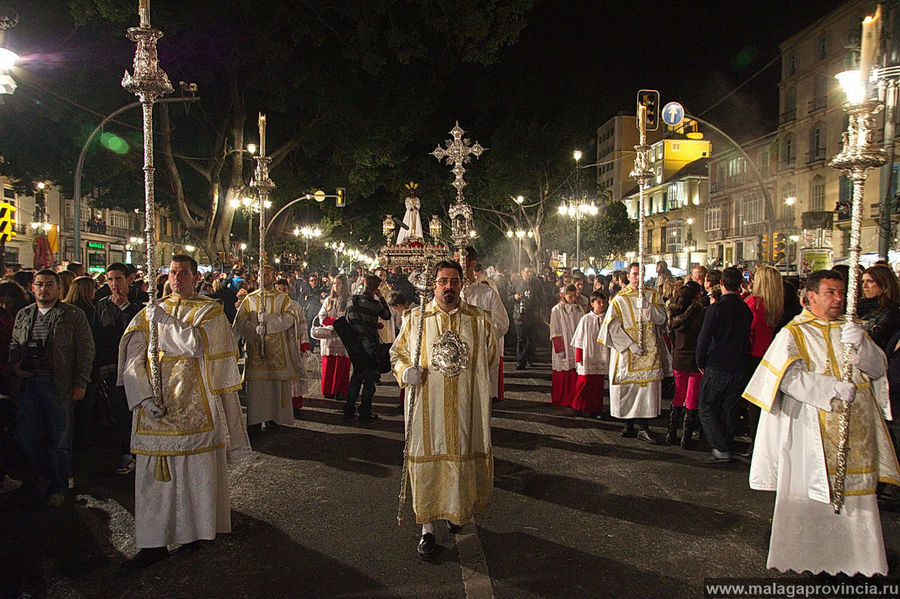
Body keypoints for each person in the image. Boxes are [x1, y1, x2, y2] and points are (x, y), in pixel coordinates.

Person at [742, 269, 900, 576]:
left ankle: (860, 559)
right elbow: (786, 378)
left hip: (856, 427)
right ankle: (809, 555)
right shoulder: (795, 332)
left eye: (841, 293)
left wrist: (863, 346)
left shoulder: (852, 329)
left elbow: (877, 368)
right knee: (811, 490)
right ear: (811, 296)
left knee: (858, 495)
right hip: (810, 428)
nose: (838, 299)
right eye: (830, 292)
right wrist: (830, 390)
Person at [118, 255, 251, 569]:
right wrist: (143, 398)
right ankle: (152, 543)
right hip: (155, 412)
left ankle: (193, 531)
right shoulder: (149, 312)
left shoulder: (210, 311)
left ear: (195, 277)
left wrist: (164, 322)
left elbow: (196, 345)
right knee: (153, 480)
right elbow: (134, 360)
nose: (177, 278)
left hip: (195, 408)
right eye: (173, 272)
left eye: (183, 273)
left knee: (193, 476)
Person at [389, 260, 497, 561]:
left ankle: (455, 511)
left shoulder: (479, 320)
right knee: (428, 461)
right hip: (428, 408)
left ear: (462, 283)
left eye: (454, 281)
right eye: (442, 281)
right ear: (433, 284)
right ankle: (427, 530)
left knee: (460, 457)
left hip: (464, 408)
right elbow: (396, 353)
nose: (448, 286)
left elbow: (489, 359)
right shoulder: (415, 319)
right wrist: (404, 370)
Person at [8, 269, 94, 507]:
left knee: (60, 439)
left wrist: (80, 382)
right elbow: (15, 344)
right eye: (39, 284)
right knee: (27, 437)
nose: (43, 289)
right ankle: (47, 475)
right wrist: (16, 365)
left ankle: (58, 486)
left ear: (59, 288)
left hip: (60, 385)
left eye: (48, 285)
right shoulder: (24, 315)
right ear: (33, 287)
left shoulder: (72, 315)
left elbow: (86, 350)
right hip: (29, 384)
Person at [598, 262, 671, 443]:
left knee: (645, 390)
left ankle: (644, 427)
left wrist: (647, 307)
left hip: (649, 352)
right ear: (628, 276)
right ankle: (628, 425)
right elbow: (612, 327)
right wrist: (630, 345)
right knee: (628, 389)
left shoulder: (652, 295)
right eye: (635, 274)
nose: (638, 278)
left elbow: (662, 319)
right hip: (627, 352)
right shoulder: (619, 299)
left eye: (641, 274)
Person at [234, 265, 310, 430]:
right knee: (257, 389)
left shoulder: (283, 299)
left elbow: (290, 319)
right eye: (261, 274)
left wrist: (270, 321)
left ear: (274, 276)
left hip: (277, 353)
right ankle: (255, 420)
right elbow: (239, 322)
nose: (264, 277)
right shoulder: (250, 299)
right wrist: (254, 328)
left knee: (275, 387)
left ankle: (274, 418)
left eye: (267, 274)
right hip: (256, 353)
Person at [695, 267, 753, 463]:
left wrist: (700, 360)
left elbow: (704, 338)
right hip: (739, 365)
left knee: (706, 406)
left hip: (718, 364)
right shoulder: (745, 309)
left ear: (721, 284)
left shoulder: (716, 309)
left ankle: (720, 447)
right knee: (730, 408)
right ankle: (726, 444)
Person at [93, 263, 142, 475]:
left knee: (135, 409)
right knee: (120, 411)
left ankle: (137, 451)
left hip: (134, 366)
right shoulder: (102, 304)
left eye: (118, 279)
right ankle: (124, 451)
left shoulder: (138, 302)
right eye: (110, 279)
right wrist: (101, 365)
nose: (114, 284)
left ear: (128, 279)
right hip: (112, 366)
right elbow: (98, 335)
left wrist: (124, 308)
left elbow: (136, 331)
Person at [743, 265, 784, 456]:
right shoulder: (778, 304)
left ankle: (755, 443)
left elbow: (747, 330)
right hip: (770, 355)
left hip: (753, 355)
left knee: (753, 401)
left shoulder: (754, 303)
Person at [459, 247, 509, 401]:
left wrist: (478, 335)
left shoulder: (487, 294)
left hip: (479, 358)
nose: (456, 264)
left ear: (472, 263)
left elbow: (502, 323)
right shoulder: (447, 294)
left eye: (459, 260)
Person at [343, 274, 391, 422]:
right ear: (376, 288)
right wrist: (381, 297)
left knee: (356, 377)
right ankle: (365, 411)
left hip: (354, 346)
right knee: (370, 379)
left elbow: (350, 320)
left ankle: (349, 408)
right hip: (370, 346)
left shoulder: (352, 300)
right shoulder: (375, 304)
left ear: (363, 284)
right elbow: (387, 315)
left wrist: (371, 324)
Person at [666, 281, 705, 447]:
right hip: (694, 359)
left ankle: (671, 432)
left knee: (678, 395)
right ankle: (686, 438)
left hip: (678, 358)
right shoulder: (699, 314)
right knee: (691, 398)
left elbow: (672, 338)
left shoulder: (674, 314)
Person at [570, 289, 610, 419]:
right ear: (592, 303)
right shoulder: (585, 319)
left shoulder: (608, 319)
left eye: (603, 302)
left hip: (602, 355)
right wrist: (579, 355)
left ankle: (595, 409)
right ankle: (578, 406)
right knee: (584, 383)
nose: (601, 305)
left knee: (597, 386)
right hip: (587, 355)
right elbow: (579, 339)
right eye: (598, 302)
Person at [316, 275, 352, 401]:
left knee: (342, 365)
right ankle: (328, 390)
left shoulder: (349, 300)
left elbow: (349, 318)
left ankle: (340, 390)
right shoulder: (328, 300)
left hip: (343, 338)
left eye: (339, 284)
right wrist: (335, 321)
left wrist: (338, 322)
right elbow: (322, 316)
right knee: (329, 365)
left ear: (344, 285)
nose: (336, 286)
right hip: (330, 337)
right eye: (334, 284)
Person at [549, 284, 582, 407]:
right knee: (563, 371)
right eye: (570, 296)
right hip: (564, 344)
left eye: (575, 296)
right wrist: (559, 348)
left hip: (574, 344)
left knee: (574, 372)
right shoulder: (556, 310)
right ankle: (561, 399)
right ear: (564, 295)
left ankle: (574, 398)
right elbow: (555, 330)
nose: (573, 299)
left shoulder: (579, 309)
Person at [858, 264, 900, 355]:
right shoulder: (860, 306)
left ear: (884, 284)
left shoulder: (891, 311)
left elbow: (875, 338)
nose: (864, 286)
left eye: (870, 281)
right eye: (863, 281)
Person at [509, 266, 544, 370]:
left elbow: (542, 298)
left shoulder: (536, 284)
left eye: (530, 272)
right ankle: (521, 361)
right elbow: (508, 297)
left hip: (533, 316)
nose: (529, 274)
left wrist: (541, 312)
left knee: (532, 339)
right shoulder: (515, 284)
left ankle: (529, 357)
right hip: (520, 316)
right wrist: (514, 297)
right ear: (522, 272)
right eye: (527, 272)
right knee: (521, 339)